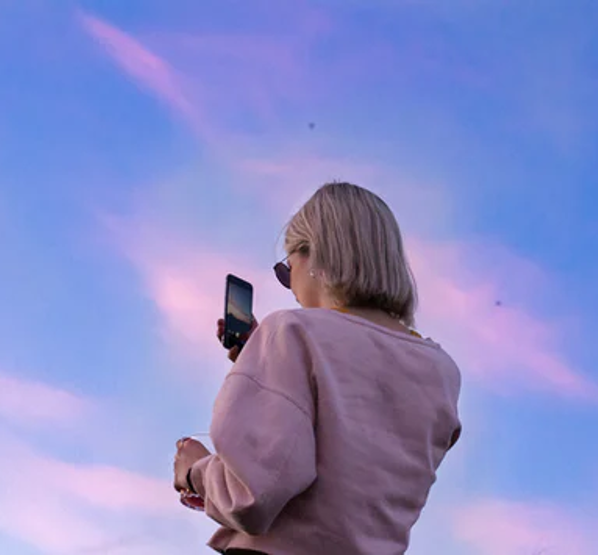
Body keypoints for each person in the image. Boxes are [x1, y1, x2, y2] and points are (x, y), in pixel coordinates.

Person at [174, 182, 462, 555]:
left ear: (316, 257)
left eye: (286, 269)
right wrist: (268, 360)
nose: (290, 287)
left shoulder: (292, 333)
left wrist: (194, 470)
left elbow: (251, 496)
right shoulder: (440, 370)